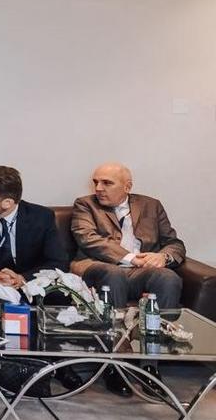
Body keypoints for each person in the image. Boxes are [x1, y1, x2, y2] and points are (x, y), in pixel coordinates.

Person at [71, 163, 186, 397]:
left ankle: (149, 365)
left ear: (127, 186)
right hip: (99, 267)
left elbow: (174, 243)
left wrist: (162, 257)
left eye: (107, 183)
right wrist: (131, 258)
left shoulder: (151, 205)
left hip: (139, 272)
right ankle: (115, 364)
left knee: (168, 278)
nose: (98, 188)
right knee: (114, 275)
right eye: (96, 182)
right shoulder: (85, 204)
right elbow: (88, 239)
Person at [0, 166, 69, 303]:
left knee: (59, 293)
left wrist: (22, 278)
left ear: (7, 203)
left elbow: (58, 262)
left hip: (28, 280)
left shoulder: (41, 217)